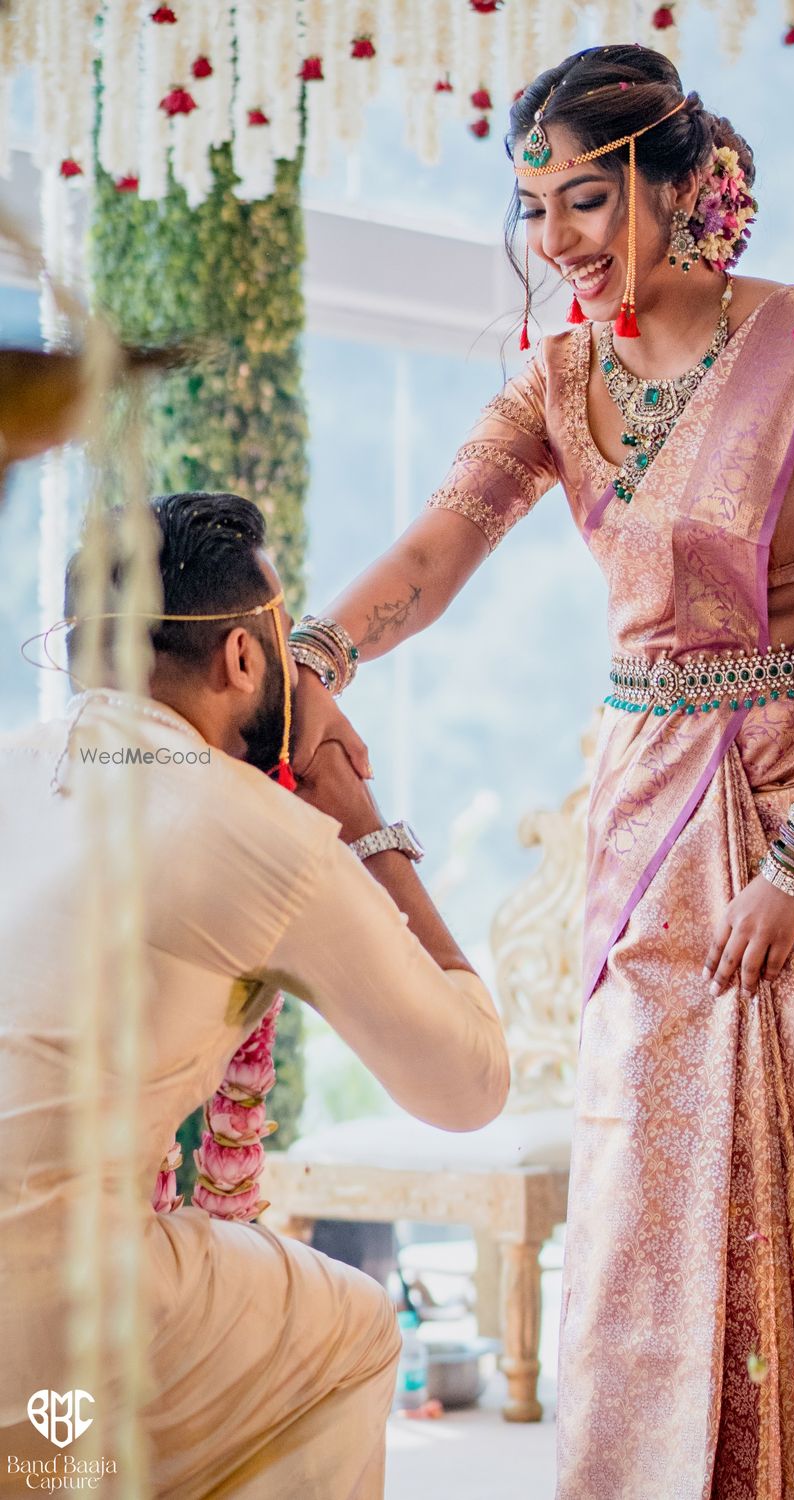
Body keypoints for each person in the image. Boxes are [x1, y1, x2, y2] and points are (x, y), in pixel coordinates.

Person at [291, 43, 794, 1500]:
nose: (559, 244)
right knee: (643, 1191)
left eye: (589, 199)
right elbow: (437, 549)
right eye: (537, 210)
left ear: (683, 185)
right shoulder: (558, 381)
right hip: (658, 808)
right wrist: (316, 657)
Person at [0, 491, 509, 1497]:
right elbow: (470, 1085)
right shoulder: (255, 834)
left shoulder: (15, 767)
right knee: (357, 1327)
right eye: (281, 637)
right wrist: (367, 828)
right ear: (241, 659)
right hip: (47, 1309)